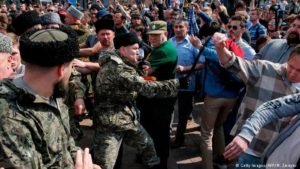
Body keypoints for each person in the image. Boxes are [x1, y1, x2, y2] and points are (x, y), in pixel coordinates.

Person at [0, 27, 99, 168]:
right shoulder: (9, 114)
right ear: (61, 70)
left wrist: (83, 160)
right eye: (71, 67)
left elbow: (64, 146)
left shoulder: (52, 95)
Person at [213, 32, 300, 168]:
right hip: (251, 150)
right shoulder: (264, 69)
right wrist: (220, 49)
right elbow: (234, 63)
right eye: (291, 66)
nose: (293, 73)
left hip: (279, 157)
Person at [92, 32, 179, 169]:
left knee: (148, 146)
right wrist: (176, 84)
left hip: (124, 118)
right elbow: (146, 88)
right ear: (122, 49)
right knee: (104, 164)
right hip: (109, 122)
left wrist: (138, 69)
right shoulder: (119, 68)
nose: (138, 53)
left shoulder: (120, 62)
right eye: (134, 49)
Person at [138, 20, 178, 169]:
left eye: (156, 35)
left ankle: (159, 164)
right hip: (156, 97)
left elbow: (145, 72)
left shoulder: (164, 49)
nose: (152, 38)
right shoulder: (160, 47)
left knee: (159, 134)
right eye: (150, 35)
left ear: (166, 34)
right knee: (154, 131)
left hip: (160, 99)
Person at [169, 19, 203, 148]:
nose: (178, 29)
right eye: (176, 26)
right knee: (169, 110)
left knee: (183, 113)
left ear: (187, 28)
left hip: (187, 83)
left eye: (181, 27)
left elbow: (202, 63)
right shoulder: (169, 42)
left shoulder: (193, 44)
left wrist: (185, 68)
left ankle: (179, 139)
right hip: (171, 82)